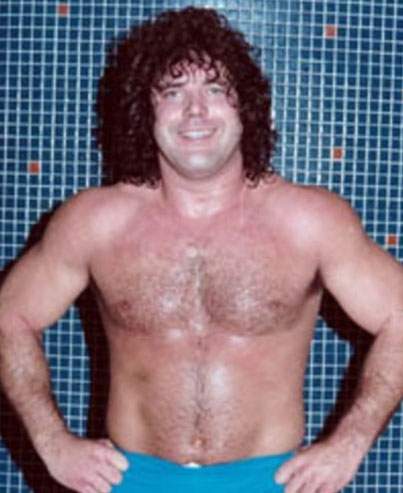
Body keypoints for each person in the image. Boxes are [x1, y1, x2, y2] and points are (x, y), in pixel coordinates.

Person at [0, 6, 402, 493]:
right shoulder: (97, 222)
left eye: (215, 89)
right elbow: (9, 316)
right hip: (131, 480)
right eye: (173, 93)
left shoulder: (309, 221)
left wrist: (350, 444)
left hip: (270, 481)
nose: (195, 111)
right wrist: (52, 442)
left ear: (245, 107)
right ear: (146, 112)